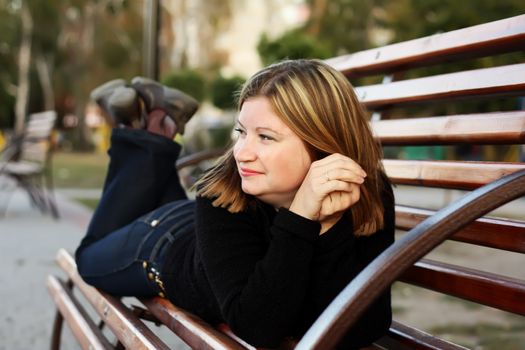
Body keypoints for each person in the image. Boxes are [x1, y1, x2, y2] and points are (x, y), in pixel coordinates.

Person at [75, 59, 395, 349]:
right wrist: (301, 217)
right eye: (241, 132)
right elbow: (258, 327)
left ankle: (152, 124)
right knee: (88, 257)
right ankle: (140, 130)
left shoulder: (366, 192)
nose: (241, 152)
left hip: (210, 241)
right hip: (163, 243)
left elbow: (366, 324)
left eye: (265, 137)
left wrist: (327, 226)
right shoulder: (220, 195)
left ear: (324, 143)